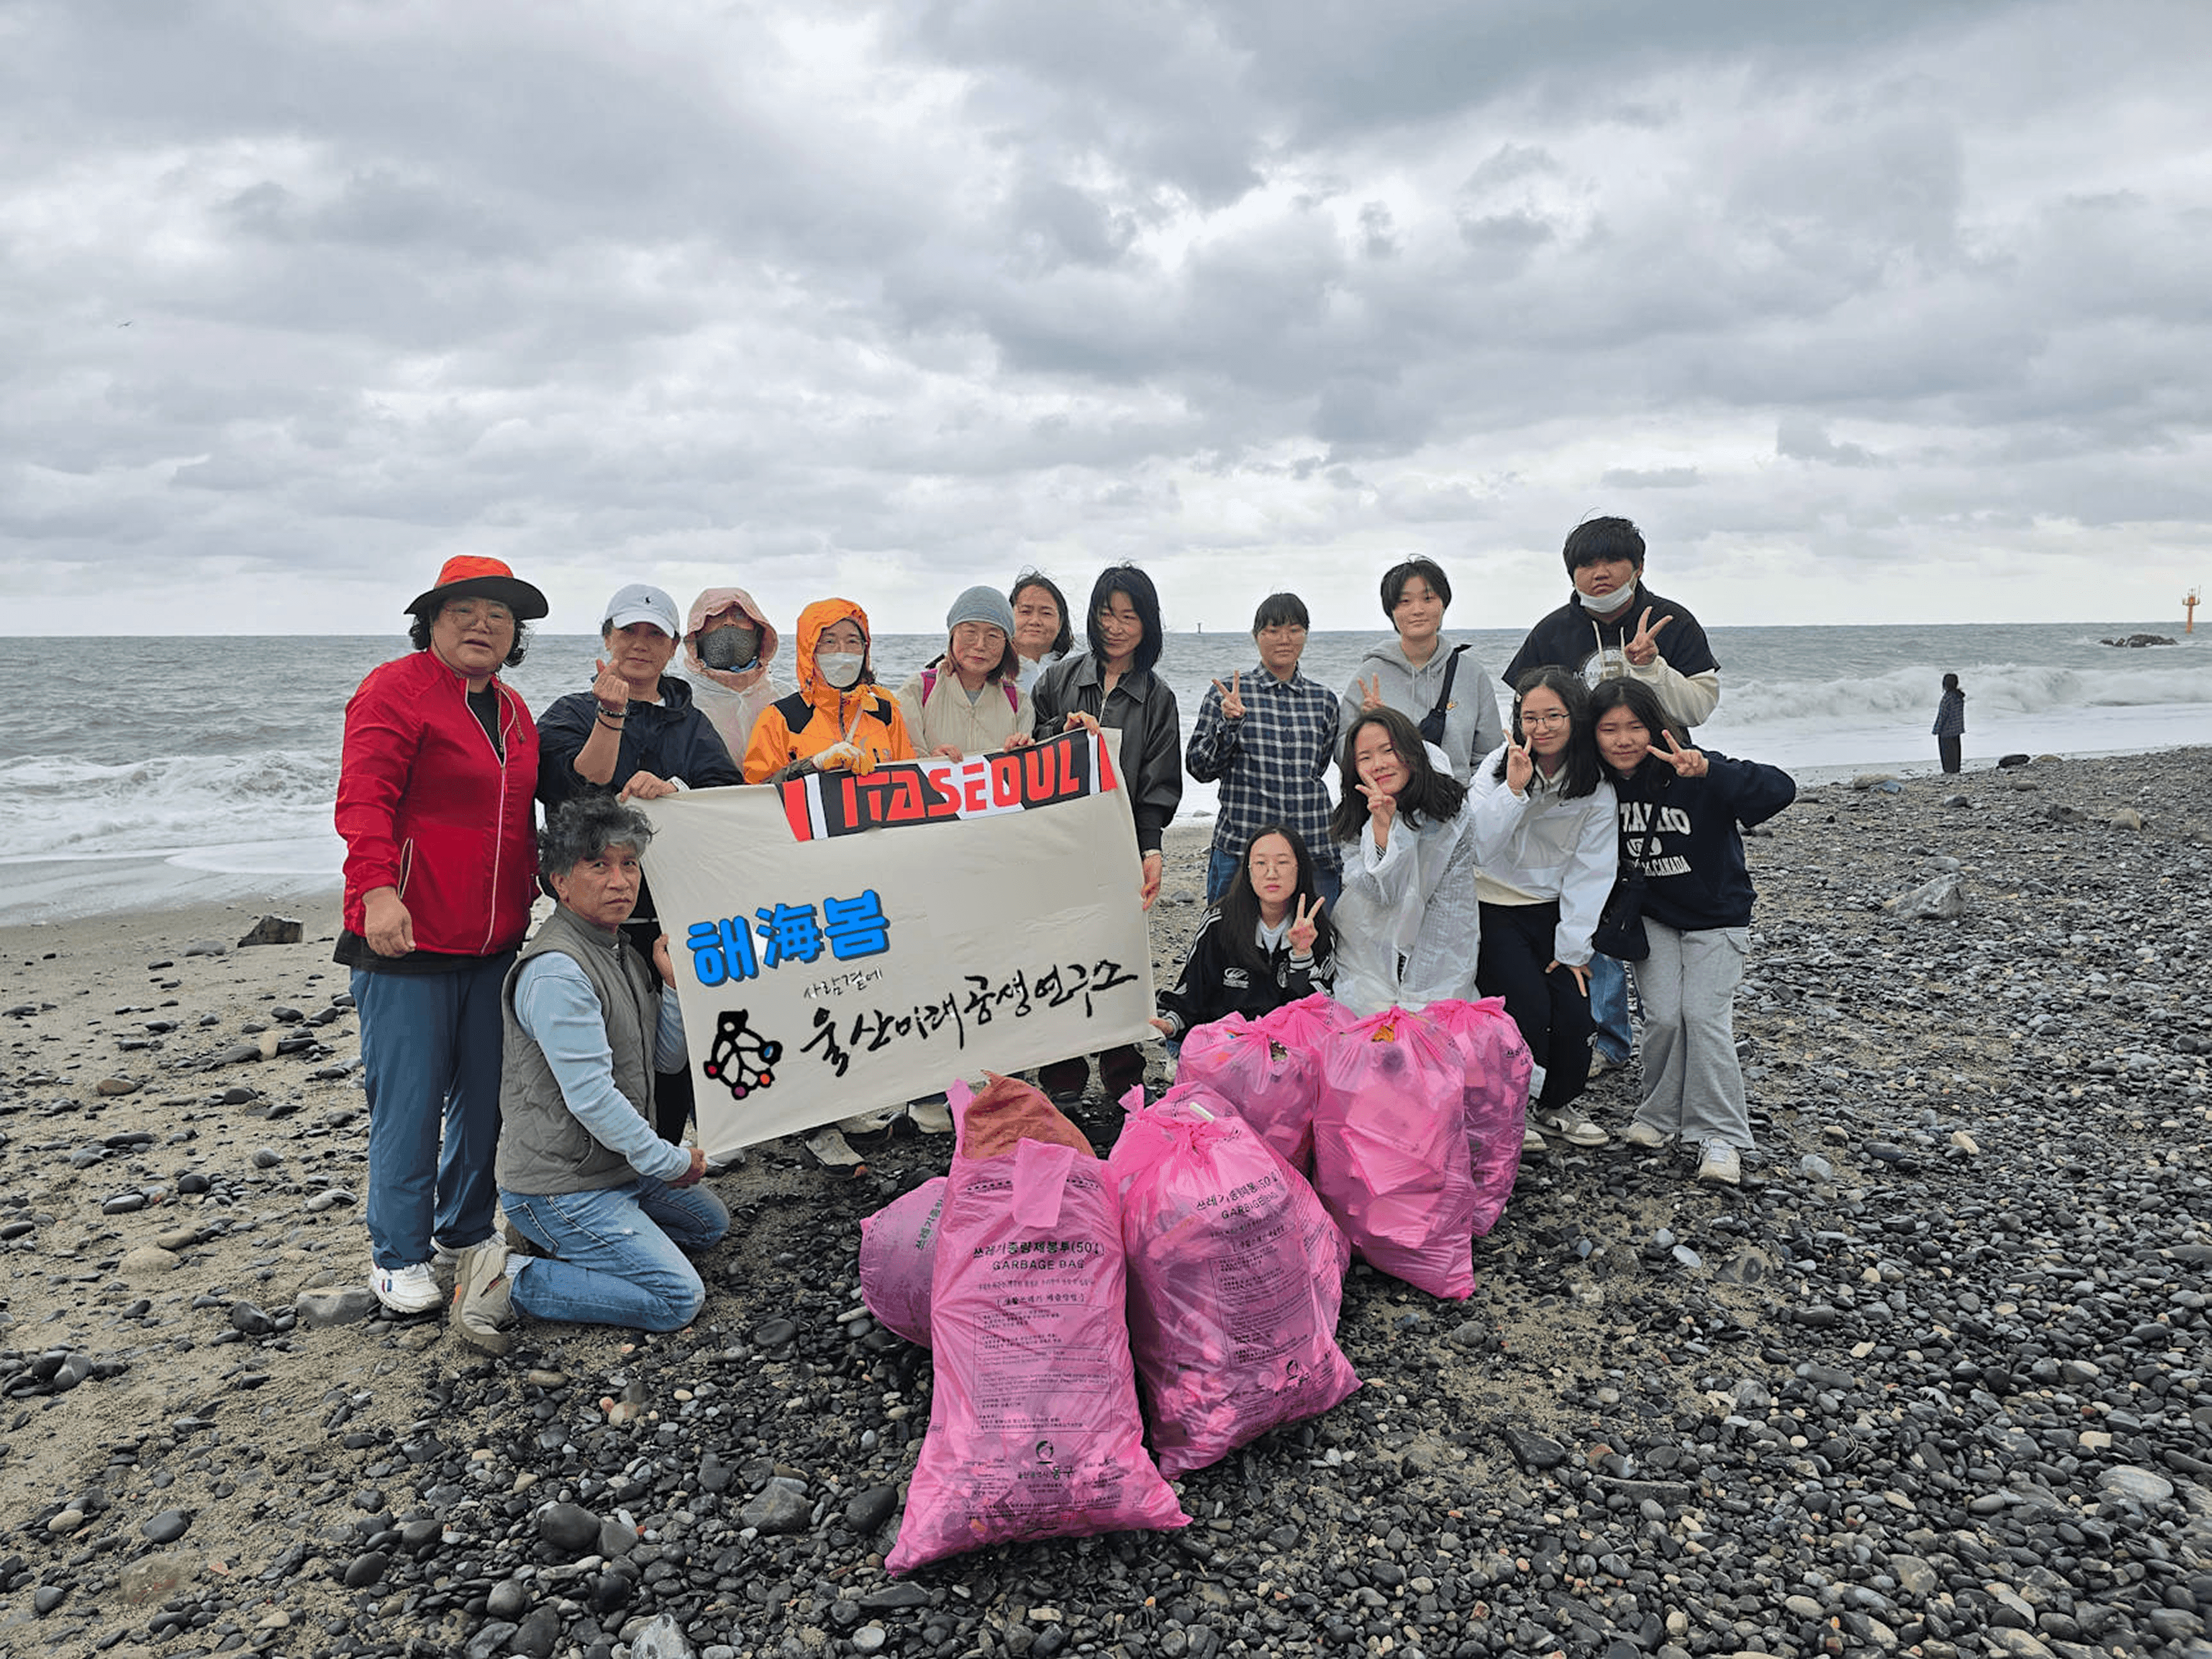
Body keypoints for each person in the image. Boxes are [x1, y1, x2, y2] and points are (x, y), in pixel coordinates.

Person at [334, 555, 546, 1314]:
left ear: (516, 632)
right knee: (411, 1105)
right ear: (432, 621)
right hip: (407, 941)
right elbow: (364, 800)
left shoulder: (517, 712)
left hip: (493, 942)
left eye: (499, 614)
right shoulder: (395, 689)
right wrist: (378, 892)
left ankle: (463, 1230)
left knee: (486, 1101)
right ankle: (396, 1254)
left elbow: (520, 821)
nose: (483, 625)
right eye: (465, 611)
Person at [452, 797, 730, 1352]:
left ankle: (555, 1244)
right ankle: (509, 1279)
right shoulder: (558, 971)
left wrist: (672, 989)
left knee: (707, 1227)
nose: (619, 881)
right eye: (598, 866)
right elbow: (592, 1099)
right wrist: (668, 1160)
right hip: (560, 1183)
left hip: (614, 1170)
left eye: (629, 865)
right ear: (560, 881)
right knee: (677, 1298)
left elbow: (664, 1062)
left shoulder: (620, 950)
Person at [1503, 516, 1722, 1076]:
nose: (1598, 574)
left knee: (1657, 902)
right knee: (1589, 898)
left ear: (1638, 566)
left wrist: (1653, 667)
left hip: (1661, 784)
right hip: (1580, 788)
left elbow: (1699, 707)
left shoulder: (1673, 621)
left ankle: (1674, 1028)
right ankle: (1606, 1038)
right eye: (1585, 565)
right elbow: (1527, 711)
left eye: (1611, 562)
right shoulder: (1554, 631)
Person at [536, 583, 742, 1142]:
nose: (641, 645)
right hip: (592, 923)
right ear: (607, 638)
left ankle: (665, 1165)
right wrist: (610, 713)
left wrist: (674, 787)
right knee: (597, 1050)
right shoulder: (567, 714)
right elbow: (573, 783)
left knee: (671, 1053)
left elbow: (726, 792)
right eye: (629, 632)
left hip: (670, 915)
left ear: (674, 647)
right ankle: (583, 1178)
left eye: (656, 635)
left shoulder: (689, 721)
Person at [1591, 678, 1795, 1186]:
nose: (1622, 740)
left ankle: (1720, 1134)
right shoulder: (1596, 784)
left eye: (1634, 727)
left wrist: (1709, 770)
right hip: (1653, 916)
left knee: (1701, 1017)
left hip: (1717, 915)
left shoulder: (1691, 765)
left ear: (1656, 726)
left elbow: (1779, 789)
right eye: (1608, 729)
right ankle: (1658, 1117)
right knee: (1662, 1018)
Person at [1031, 564, 1182, 1102]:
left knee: (1120, 959)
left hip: (1119, 845)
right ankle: (1062, 1080)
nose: (1115, 627)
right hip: (1058, 846)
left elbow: (1159, 785)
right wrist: (1062, 731)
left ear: (1148, 624)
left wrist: (1152, 848)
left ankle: (1123, 1080)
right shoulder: (1058, 680)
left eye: (1129, 616)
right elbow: (1023, 758)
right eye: (1105, 613)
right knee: (1059, 955)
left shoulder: (1158, 698)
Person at [1469, 669, 1618, 1150]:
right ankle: (1513, 1109)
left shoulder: (1593, 780)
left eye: (1554, 715)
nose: (1542, 728)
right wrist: (1514, 791)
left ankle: (1557, 1105)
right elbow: (1477, 846)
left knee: (1575, 1014)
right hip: (1492, 904)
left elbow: (1592, 867)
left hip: (1553, 908)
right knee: (1527, 1011)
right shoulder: (1498, 764)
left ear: (1575, 717)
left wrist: (1574, 947)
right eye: (1530, 717)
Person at [1183, 592, 1343, 910]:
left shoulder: (1323, 700)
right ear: (1256, 636)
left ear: (1306, 635)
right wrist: (1229, 724)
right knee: (1229, 945)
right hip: (1242, 847)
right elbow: (1199, 768)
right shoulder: (1228, 696)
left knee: (1317, 943)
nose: (1284, 639)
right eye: (1272, 630)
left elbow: (1318, 767)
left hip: (1312, 845)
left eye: (1295, 629)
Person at [1327, 706, 1480, 1016]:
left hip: (1436, 945)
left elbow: (1453, 909)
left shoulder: (1449, 812)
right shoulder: (1352, 818)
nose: (1379, 764)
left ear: (1411, 750)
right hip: (1369, 946)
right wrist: (1381, 829)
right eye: (1365, 757)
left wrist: (1424, 993)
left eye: (1388, 750)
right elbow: (1379, 893)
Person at [1150, 825, 1334, 1040]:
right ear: (1248, 870)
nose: (1271, 873)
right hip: (1229, 1049)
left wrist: (1302, 954)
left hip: (1289, 1053)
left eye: (1282, 863)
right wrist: (1171, 1024)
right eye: (1261, 863)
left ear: (1299, 868)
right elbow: (1194, 990)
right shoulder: (1219, 923)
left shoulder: (1316, 930)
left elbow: (1321, 1013)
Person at [1341, 558, 1506, 784]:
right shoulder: (1370, 675)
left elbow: (1489, 758)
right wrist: (1370, 726)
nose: (1417, 610)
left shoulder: (1472, 675)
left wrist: (1473, 808)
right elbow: (1344, 756)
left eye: (1428, 599)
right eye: (1405, 601)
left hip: (1457, 808)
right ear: (1391, 611)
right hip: (1390, 810)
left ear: (1443, 605)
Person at [742, 599, 918, 784]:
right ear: (810, 651)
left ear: (865, 649)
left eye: (853, 641)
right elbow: (758, 794)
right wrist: (813, 765)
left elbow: (912, 782)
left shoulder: (886, 713)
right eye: (829, 641)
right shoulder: (780, 719)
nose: (843, 651)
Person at [896, 586, 1038, 757]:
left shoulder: (1019, 702)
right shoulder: (917, 691)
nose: (980, 645)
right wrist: (930, 761)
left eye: (993, 636)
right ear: (952, 636)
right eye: (970, 632)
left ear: (1006, 645)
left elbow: (1022, 773)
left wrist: (1020, 752)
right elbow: (903, 759)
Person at [673, 587, 793, 761]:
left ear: (758, 631)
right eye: (718, 616)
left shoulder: (786, 696)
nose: (729, 623)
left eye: (739, 616)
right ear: (698, 633)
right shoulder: (680, 703)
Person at [1010, 570, 1074, 692]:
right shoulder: (991, 673)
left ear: (1061, 622)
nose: (1035, 621)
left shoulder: (1077, 672)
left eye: (1046, 613)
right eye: (1025, 611)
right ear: (1008, 617)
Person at [1933, 673, 1966, 774]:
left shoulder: (1947, 698)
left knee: (1947, 754)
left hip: (1946, 731)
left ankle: (1948, 771)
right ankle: (1956, 769)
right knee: (1956, 751)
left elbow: (1942, 716)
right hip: (1957, 729)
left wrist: (1936, 729)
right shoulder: (1959, 697)